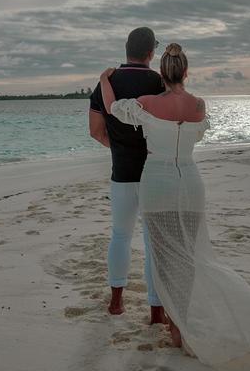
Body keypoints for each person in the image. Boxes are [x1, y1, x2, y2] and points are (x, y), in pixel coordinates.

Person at [99, 43, 250, 366]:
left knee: (164, 258)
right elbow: (195, 135)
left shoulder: (146, 103)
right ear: (186, 73)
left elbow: (113, 108)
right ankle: (181, 325)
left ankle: (175, 327)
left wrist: (105, 79)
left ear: (162, 74)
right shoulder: (199, 106)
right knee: (188, 260)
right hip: (190, 182)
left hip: (157, 183)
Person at [89, 27, 166, 323]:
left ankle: (116, 303)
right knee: (152, 242)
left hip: (121, 173)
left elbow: (95, 131)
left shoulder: (107, 82)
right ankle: (156, 313)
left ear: (126, 49)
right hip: (154, 173)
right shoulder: (160, 83)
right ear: (151, 52)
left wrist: (119, 148)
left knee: (120, 236)